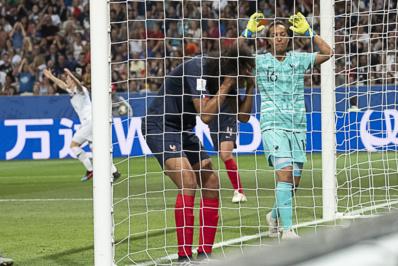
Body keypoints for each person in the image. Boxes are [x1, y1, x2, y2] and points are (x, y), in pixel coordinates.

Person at [142, 43, 255, 262]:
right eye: (242, 73)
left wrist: (249, 88)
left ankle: (205, 255)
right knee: (188, 180)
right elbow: (205, 116)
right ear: (231, 67)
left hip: (184, 129)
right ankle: (184, 257)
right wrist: (227, 84)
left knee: (212, 182)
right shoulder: (199, 68)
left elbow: (242, 117)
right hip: (160, 125)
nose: (241, 78)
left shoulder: (227, 78)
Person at [242, 13, 333, 239]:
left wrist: (309, 32)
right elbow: (230, 56)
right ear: (268, 40)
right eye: (274, 35)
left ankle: (273, 216)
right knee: (285, 175)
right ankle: (288, 231)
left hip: (298, 125)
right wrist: (247, 32)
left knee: (293, 183)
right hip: (273, 125)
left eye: (283, 35)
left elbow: (328, 53)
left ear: (289, 39)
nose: (279, 38)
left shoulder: (298, 59)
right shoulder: (259, 62)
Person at [43, 68, 121, 182]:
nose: (66, 81)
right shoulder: (72, 91)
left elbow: (79, 85)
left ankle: (90, 169)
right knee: (97, 151)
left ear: (73, 80)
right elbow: (63, 85)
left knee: (74, 145)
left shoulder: (81, 90)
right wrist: (51, 77)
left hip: (90, 121)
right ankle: (114, 172)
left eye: (68, 79)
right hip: (89, 122)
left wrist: (72, 75)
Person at [209, 101, 247, 203]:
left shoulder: (228, 85)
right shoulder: (205, 86)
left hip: (228, 119)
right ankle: (239, 191)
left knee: (226, 154)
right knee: (222, 155)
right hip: (213, 122)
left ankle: (239, 191)